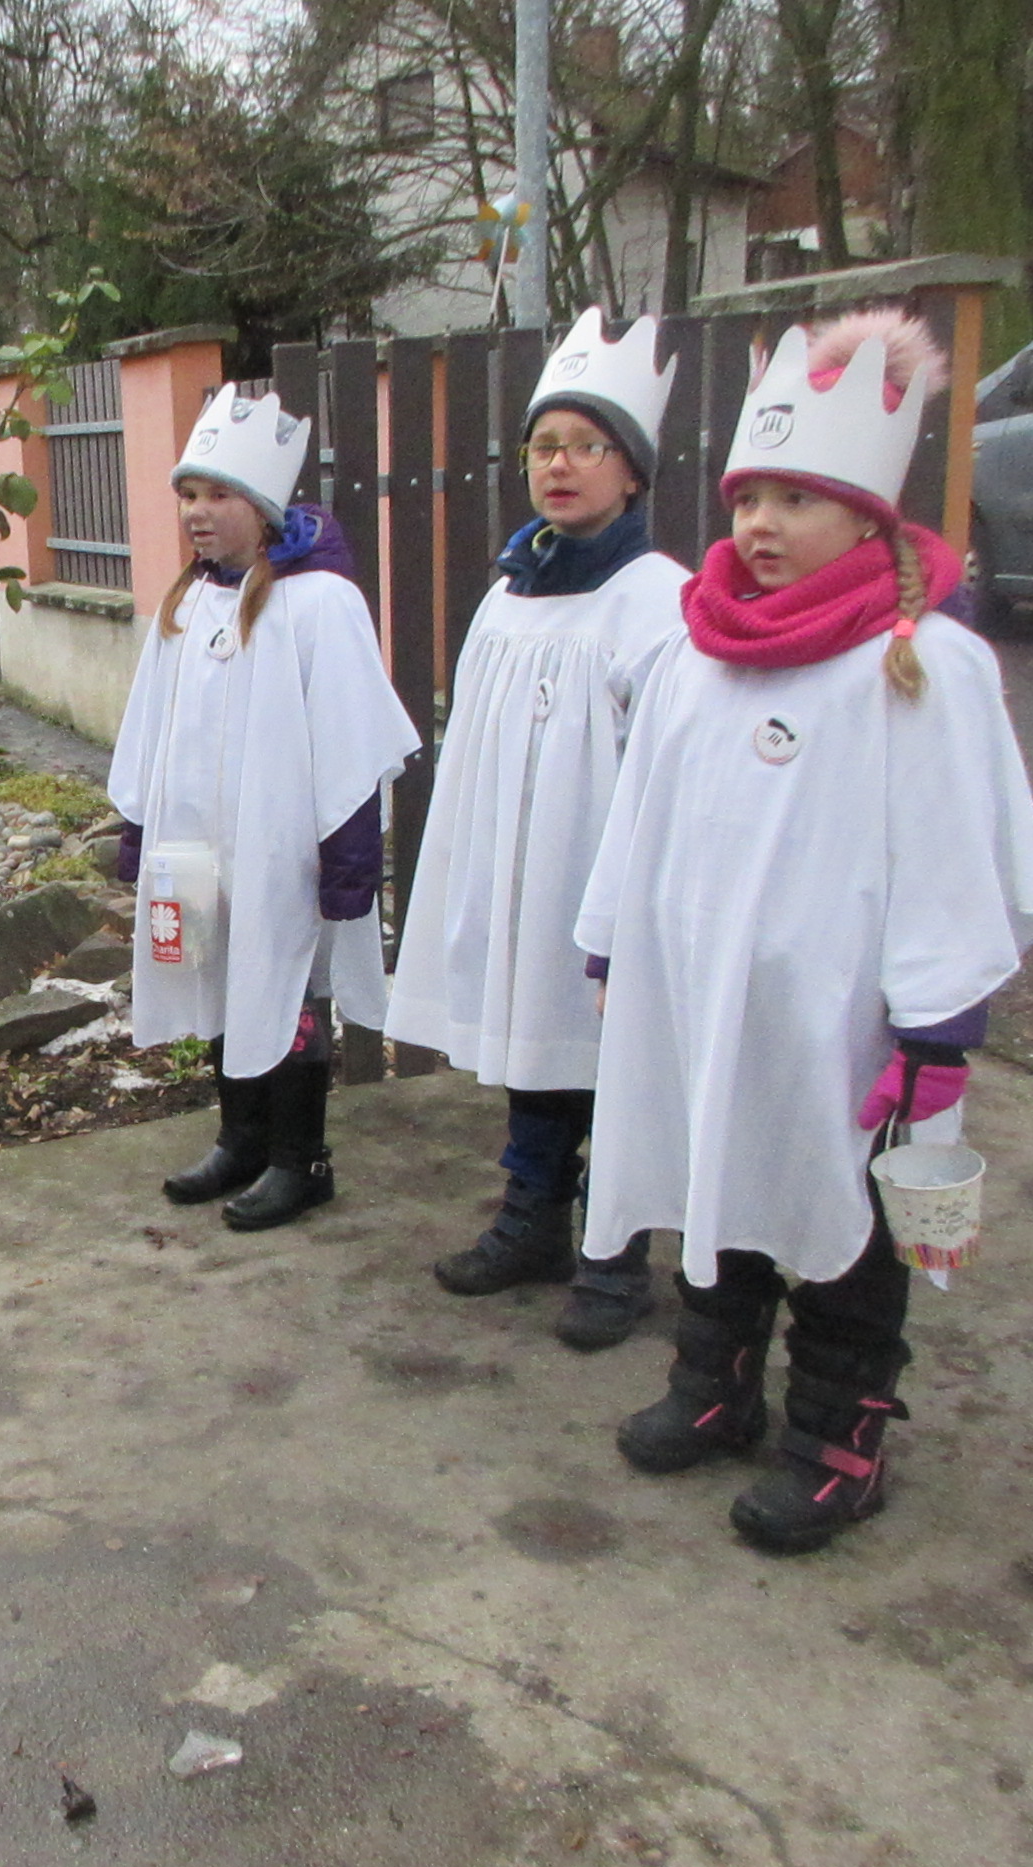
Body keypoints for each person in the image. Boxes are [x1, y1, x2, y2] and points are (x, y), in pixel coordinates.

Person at [576, 311, 1033, 1553]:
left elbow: (952, 850)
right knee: (716, 1183)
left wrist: (938, 1029)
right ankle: (716, 1381)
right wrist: (613, 943)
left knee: (840, 1220)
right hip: (707, 995)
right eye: (748, 498)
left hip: (842, 1019)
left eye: (796, 499)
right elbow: (642, 812)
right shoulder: (696, 653)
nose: (760, 524)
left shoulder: (919, 663)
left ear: (868, 516)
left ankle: (842, 1436)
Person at [386, 310, 687, 1348]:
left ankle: (616, 1255)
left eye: (587, 446)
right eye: (544, 446)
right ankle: (534, 1220)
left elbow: (671, 761)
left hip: (603, 872)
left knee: (614, 1063)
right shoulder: (512, 588)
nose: (559, 465)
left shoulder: (658, 600)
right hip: (523, 872)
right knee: (536, 1050)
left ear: (632, 473)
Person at [109, 384, 421, 1230]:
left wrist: (350, 861)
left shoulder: (318, 603)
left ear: (263, 505)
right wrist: (141, 831)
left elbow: (351, 737)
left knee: (286, 992)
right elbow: (151, 729)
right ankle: (241, 1138)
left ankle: (300, 1158)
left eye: (218, 494)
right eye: (189, 494)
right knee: (216, 978)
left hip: (281, 853)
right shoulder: (187, 602)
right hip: (199, 853)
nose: (197, 512)